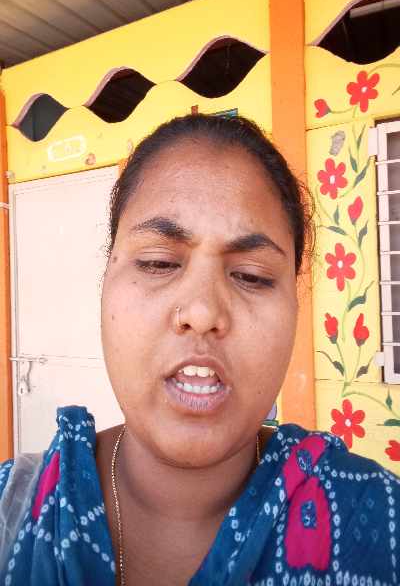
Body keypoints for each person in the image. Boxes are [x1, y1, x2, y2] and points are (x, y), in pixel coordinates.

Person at [0, 113, 399, 586]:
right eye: (158, 262)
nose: (203, 311)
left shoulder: (377, 521)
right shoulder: (12, 510)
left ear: (295, 304)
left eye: (251, 275)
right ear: (106, 280)